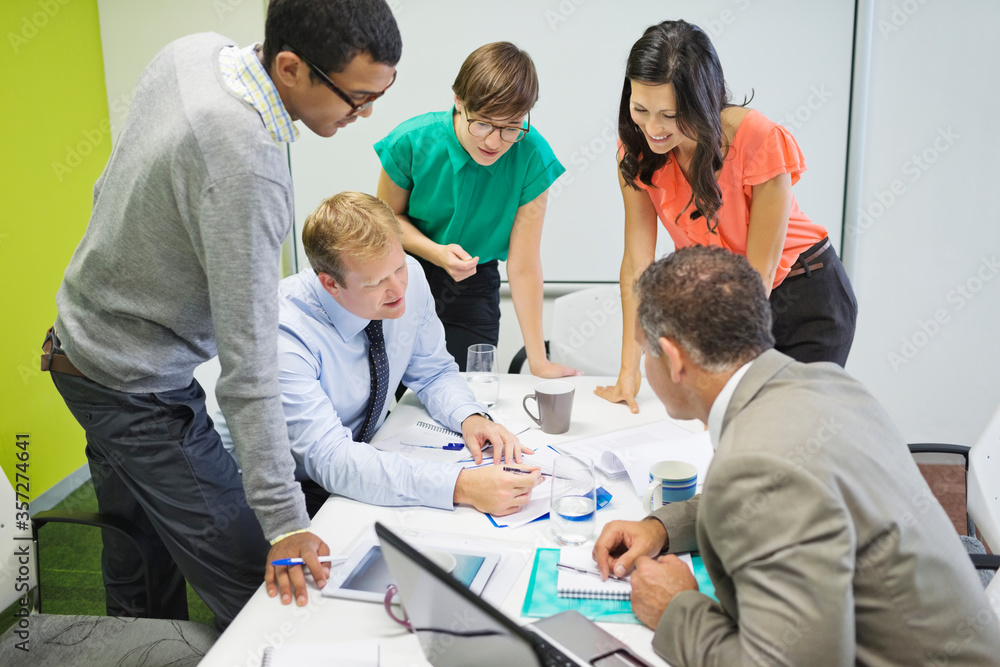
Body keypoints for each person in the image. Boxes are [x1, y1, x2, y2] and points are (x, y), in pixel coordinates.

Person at [41, 0, 400, 627]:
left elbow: (110, 189)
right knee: (264, 591)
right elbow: (249, 367)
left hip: (79, 343)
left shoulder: (196, 52)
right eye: (355, 98)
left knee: (140, 552)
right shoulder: (247, 167)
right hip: (133, 381)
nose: (365, 115)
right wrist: (286, 522)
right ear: (291, 67)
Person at [592, 245, 1000, 665]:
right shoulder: (825, 383)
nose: (644, 364)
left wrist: (677, 608)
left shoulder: (759, 464)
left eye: (645, 351)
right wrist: (662, 526)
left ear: (674, 359)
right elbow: (788, 491)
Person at [217, 192, 541, 518]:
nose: (399, 290)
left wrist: (469, 417)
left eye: (398, 267)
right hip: (265, 497)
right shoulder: (283, 333)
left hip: (354, 466)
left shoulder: (409, 275)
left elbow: (433, 371)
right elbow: (330, 458)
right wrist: (462, 486)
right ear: (330, 284)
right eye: (375, 283)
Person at [596, 20, 857, 414]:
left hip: (805, 296)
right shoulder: (636, 151)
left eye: (670, 114)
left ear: (702, 101)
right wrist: (627, 373)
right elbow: (637, 264)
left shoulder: (758, 139)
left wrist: (721, 364)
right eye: (640, 109)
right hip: (735, 298)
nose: (653, 127)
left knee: (784, 429)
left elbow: (760, 274)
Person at [375, 42, 578, 377]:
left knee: (468, 392)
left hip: (474, 284)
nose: (494, 141)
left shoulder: (532, 155)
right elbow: (386, 221)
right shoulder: (411, 142)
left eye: (511, 126)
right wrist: (436, 252)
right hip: (405, 275)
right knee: (398, 399)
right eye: (482, 123)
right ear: (458, 102)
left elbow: (524, 264)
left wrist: (537, 360)